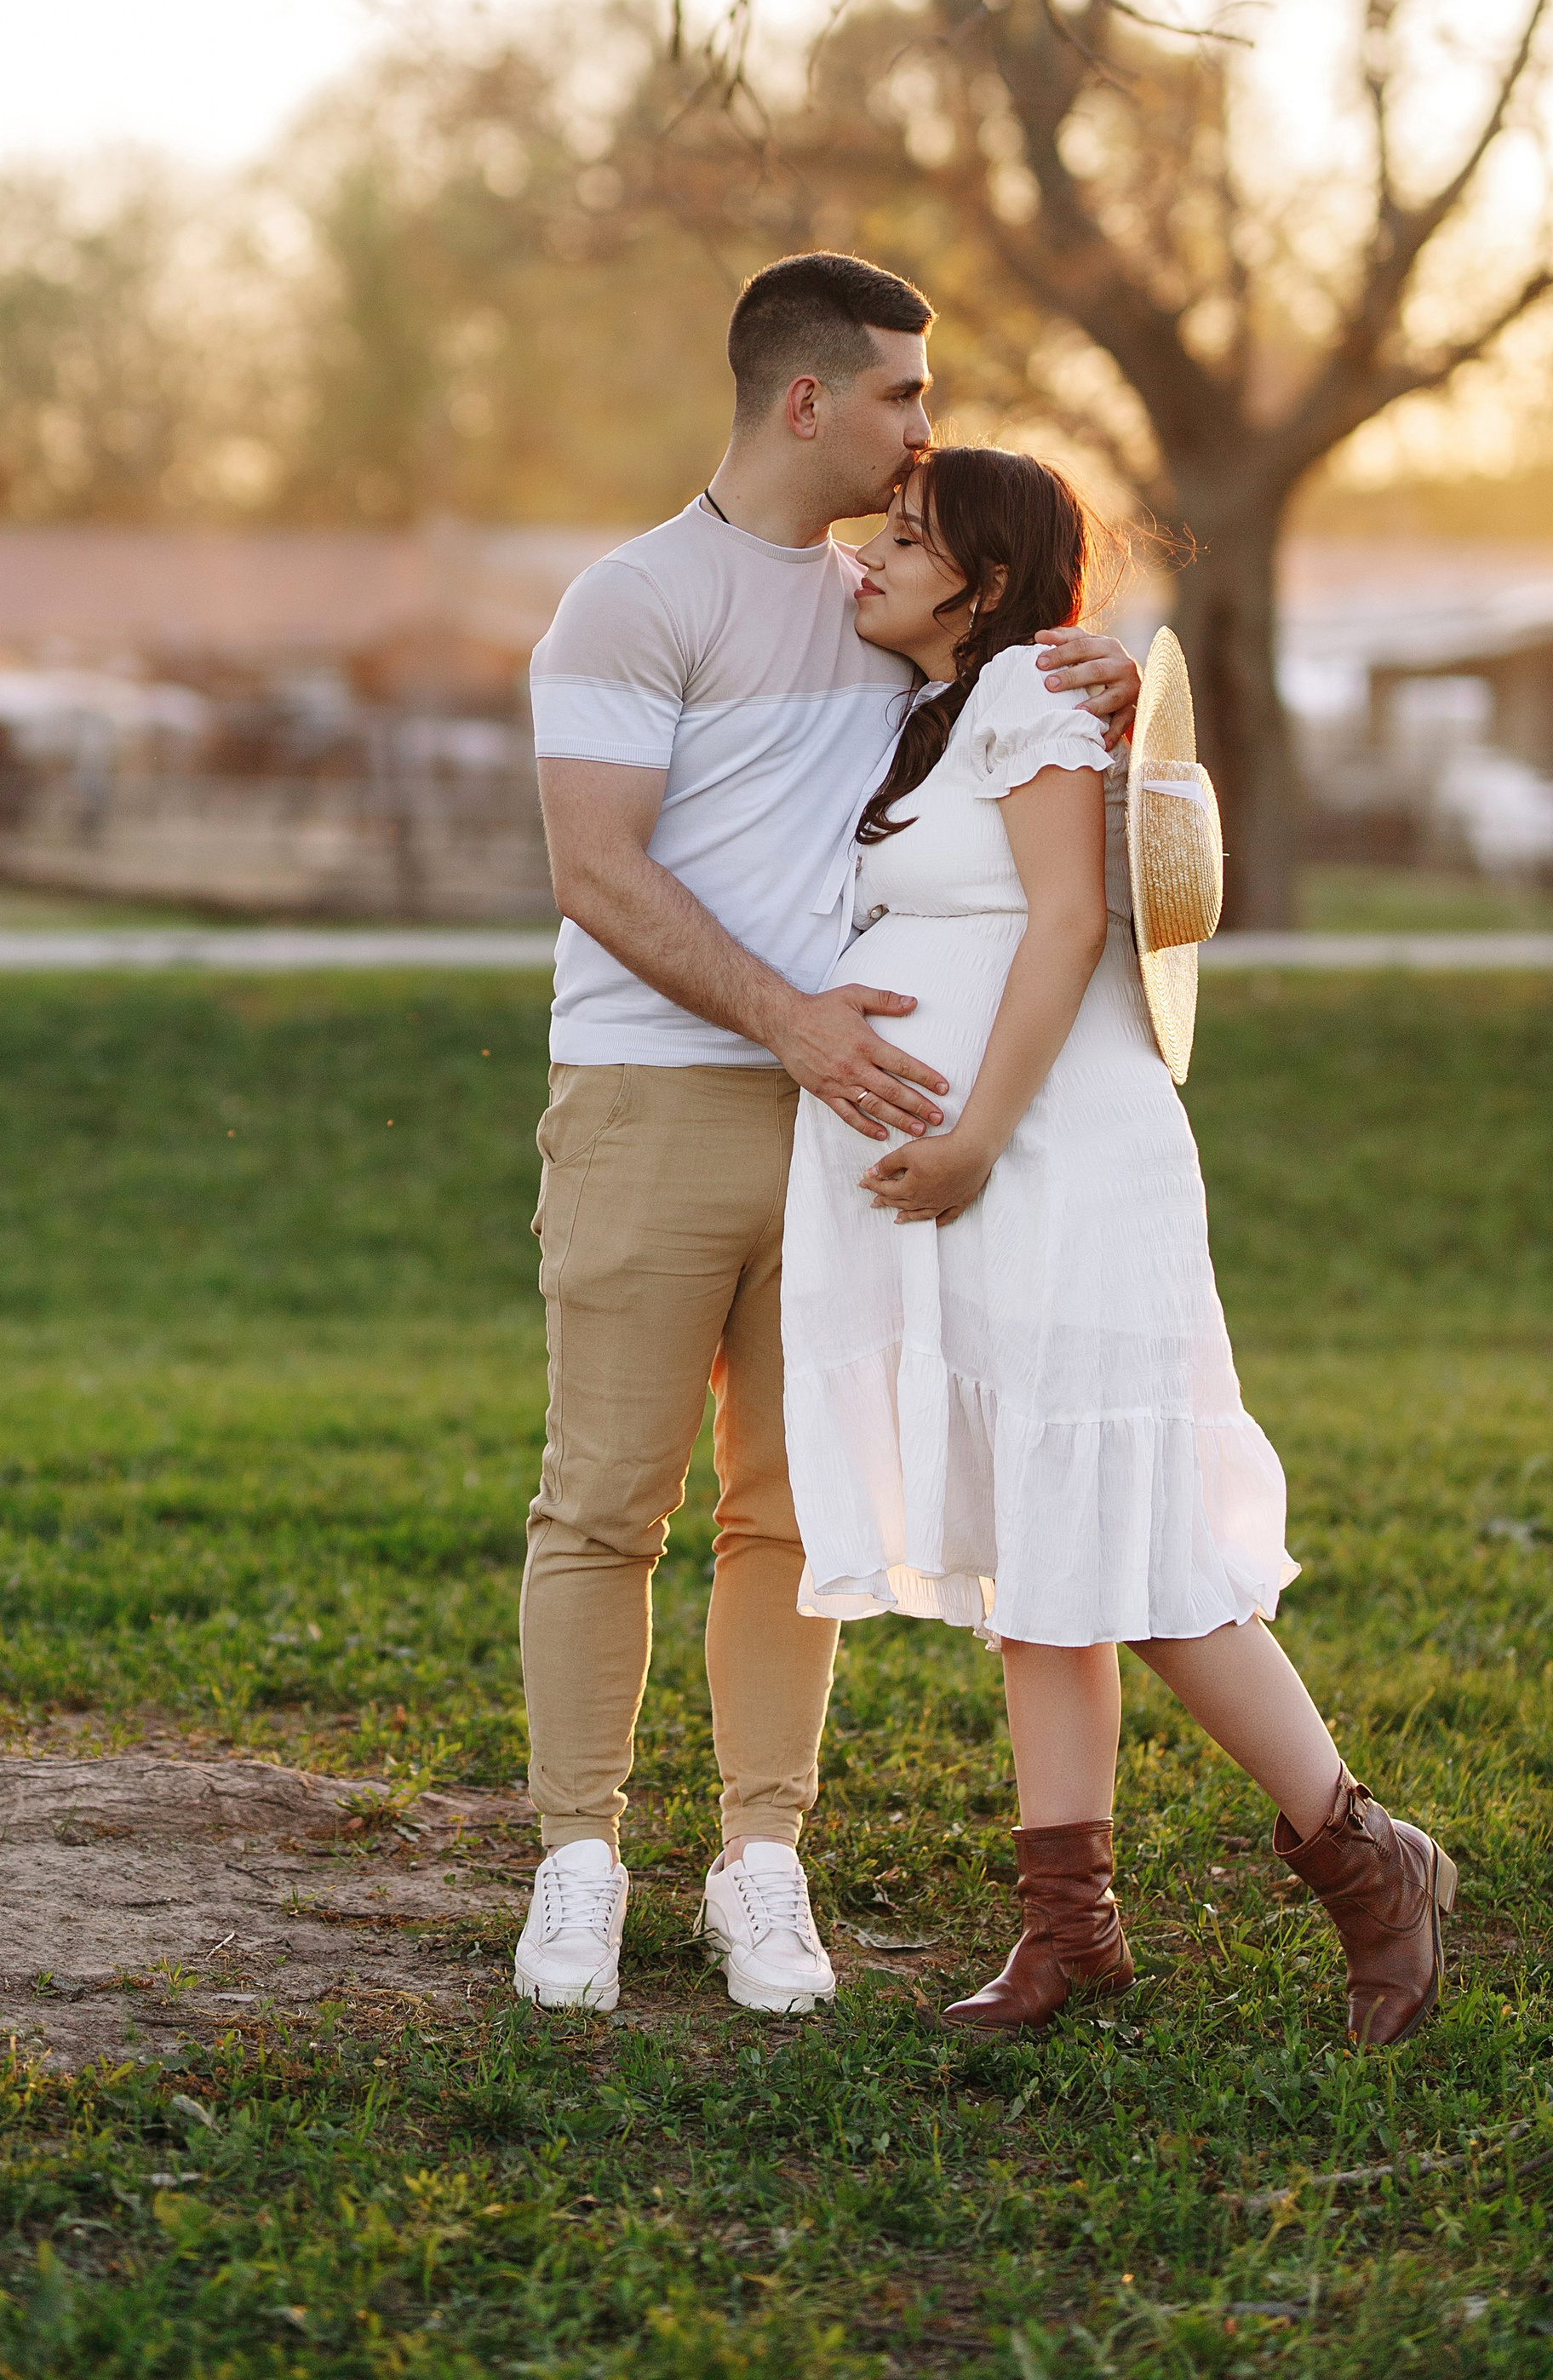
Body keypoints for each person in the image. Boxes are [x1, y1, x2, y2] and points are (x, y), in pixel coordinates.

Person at [513, 255, 1140, 2016]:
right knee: (603, 1497)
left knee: (783, 1513)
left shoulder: (902, 603)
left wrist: (1094, 667)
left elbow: (1037, 771)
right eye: (900, 398)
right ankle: (575, 1857)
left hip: (841, 1129)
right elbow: (593, 870)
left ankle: (758, 1862)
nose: (923, 430)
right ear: (807, 403)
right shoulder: (628, 603)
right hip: (652, 1095)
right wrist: (788, 1020)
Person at [779, 444, 1453, 2046]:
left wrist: (970, 1142)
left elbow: (1071, 927)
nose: (867, 558)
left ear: (990, 585)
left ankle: (1369, 1860)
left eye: (908, 540)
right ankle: (1068, 1930)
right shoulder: (948, 711)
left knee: (1137, 1547)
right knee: (1047, 1556)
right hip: (997, 1174)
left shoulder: (1026, 700)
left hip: (1058, 1161)